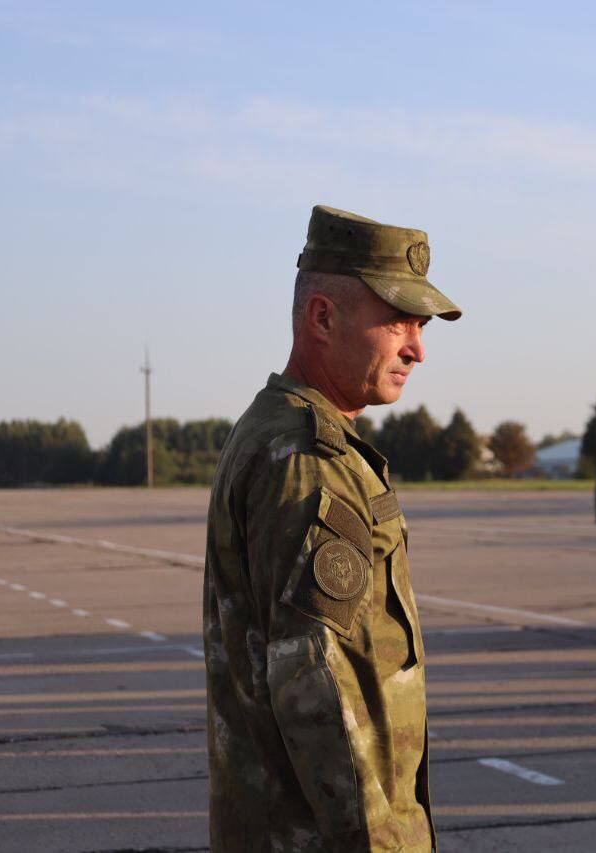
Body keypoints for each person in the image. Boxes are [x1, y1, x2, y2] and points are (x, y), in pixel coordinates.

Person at [204, 205, 462, 851]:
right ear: (323, 317)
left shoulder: (279, 430)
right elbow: (319, 683)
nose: (417, 348)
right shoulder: (307, 462)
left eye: (422, 326)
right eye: (399, 321)